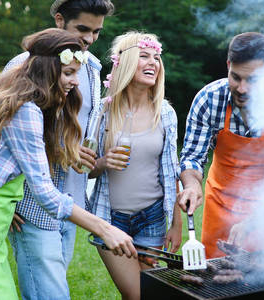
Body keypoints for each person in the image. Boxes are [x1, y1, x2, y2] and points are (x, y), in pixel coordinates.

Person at [0, 28, 136, 300]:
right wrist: (104, 228)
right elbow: (47, 196)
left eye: (76, 72)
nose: (76, 82)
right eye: (68, 73)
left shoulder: (14, 98)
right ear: (47, 70)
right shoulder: (25, 110)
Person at [2, 1, 115, 300]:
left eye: (97, 32)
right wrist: (3, 199)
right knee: (50, 293)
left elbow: (82, 126)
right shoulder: (21, 66)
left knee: (49, 288)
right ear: (59, 19)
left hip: (72, 200)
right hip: (30, 203)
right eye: (83, 29)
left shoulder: (91, 68)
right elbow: (0, 136)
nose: (90, 39)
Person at [177, 32, 264, 258]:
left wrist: (255, 221)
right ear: (228, 65)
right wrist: (190, 185)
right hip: (221, 203)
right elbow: (192, 156)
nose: (242, 89)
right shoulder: (208, 99)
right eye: (236, 77)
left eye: (253, 80)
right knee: (216, 284)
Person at [88, 31, 182, 300]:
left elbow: (171, 171)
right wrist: (104, 162)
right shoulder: (102, 111)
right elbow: (84, 169)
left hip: (151, 218)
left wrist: (176, 224)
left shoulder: (164, 112)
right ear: (125, 63)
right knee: (135, 294)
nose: (153, 62)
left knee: (151, 294)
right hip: (111, 218)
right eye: (144, 56)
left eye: (156, 57)